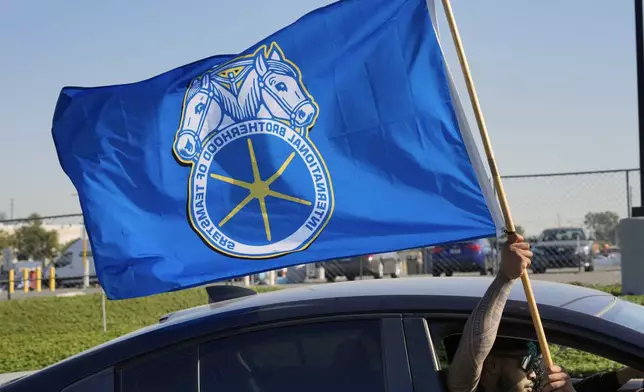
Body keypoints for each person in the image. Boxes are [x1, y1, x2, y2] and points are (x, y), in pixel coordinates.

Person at [445, 234, 643, 392]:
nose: (534, 374)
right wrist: (505, 277)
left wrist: (627, 373)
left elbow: (588, 387)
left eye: (537, 365)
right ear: (492, 365)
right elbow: (476, 349)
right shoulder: (465, 386)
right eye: (527, 363)